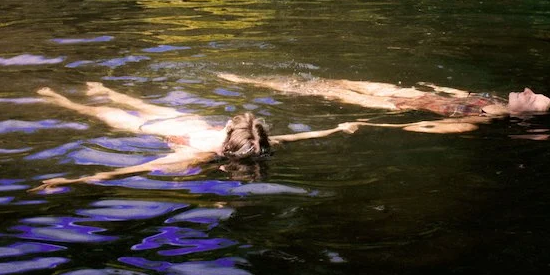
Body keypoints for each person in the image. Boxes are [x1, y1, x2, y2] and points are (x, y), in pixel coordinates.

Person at [29, 82, 352, 191]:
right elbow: (303, 137)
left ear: (228, 133)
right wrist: (337, 129)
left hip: (166, 124)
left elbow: (132, 170)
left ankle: (63, 98)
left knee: (96, 110)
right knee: (128, 106)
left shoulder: (196, 155)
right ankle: (103, 91)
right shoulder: (256, 144)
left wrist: (73, 181)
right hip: (174, 124)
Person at [216, 72, 550, 133]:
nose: (527, 90)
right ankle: (248, 78)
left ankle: (245, 80)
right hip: (409, 93)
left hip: (398, 106)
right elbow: (460, 97)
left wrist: (373, 123)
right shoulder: (494, 101)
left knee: (318, 91)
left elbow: (427, 126)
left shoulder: (482, 120)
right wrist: (439, 87)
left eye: (531, 97)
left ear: (522, 115)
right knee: (336, 82)